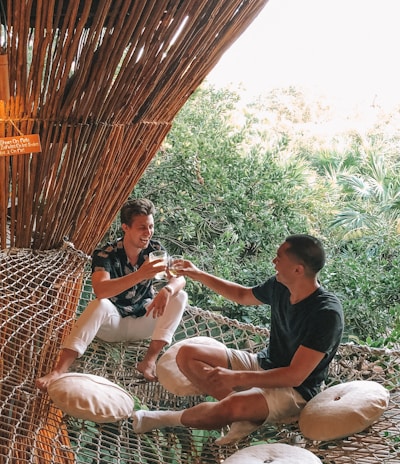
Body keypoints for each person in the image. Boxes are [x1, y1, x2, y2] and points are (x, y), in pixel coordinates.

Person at [132, 234, 344, 445]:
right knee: (187, 354)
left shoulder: (326, 313)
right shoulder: (280, 286)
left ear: (298, 269)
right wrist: (198, 274)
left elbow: (294, 376)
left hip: (295, 391)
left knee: (228, 409)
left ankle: (161, 418)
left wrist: (237, 378)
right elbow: (243, 296)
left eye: (279, 258)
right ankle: (245, 416)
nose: (274, 262)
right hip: (264, 363)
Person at [36, 198, 187, 391]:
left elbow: (180, 278)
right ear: (125, 227)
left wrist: (167, 289)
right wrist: (140, 274)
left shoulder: (155, 250)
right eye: (142, 227)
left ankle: (149, 360)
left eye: (151, 227)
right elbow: (101, 290)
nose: (148, 233)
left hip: (143, 320)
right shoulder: (106, 254)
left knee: (180, 296)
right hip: (112, 324)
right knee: (99, 305)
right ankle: (59, 370)